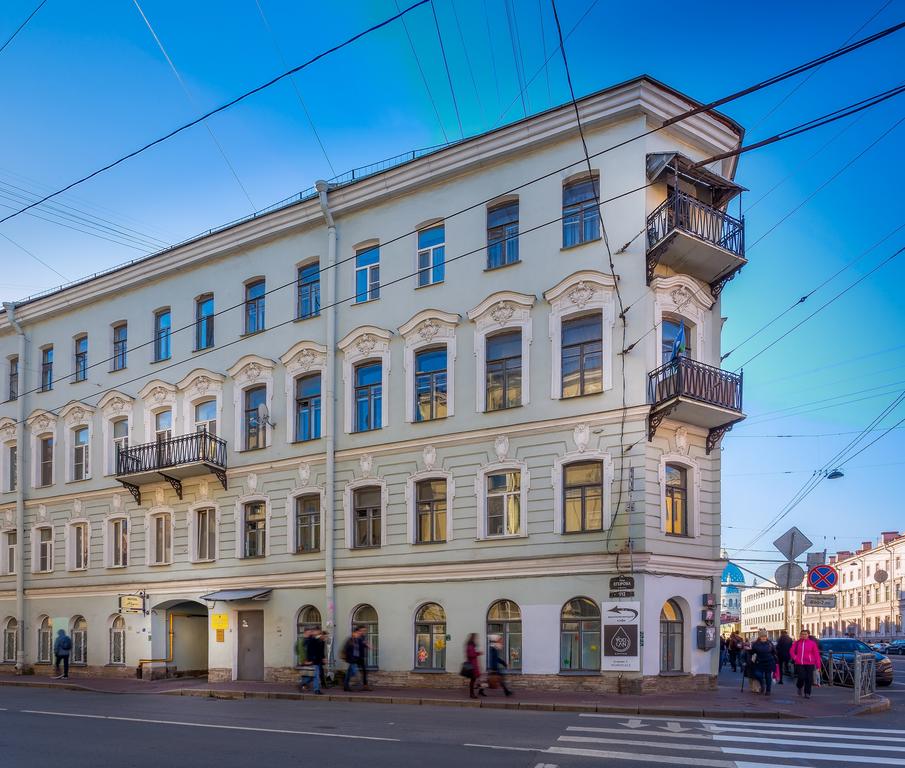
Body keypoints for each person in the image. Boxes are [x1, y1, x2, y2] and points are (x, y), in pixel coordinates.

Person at [791, 628, 821, 699]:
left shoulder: (812, 643)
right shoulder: (797, 643)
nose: (804, 635)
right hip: (800, 663)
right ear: (800, 635)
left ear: (808, 635)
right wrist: (795, 657)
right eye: (802, 634)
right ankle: (799, 686)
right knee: (801, 677)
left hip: (810, 663)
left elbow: (816, 654)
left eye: (805, 634)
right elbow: (791, 651)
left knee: (809, 678)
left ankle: (807, 693)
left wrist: (818, 665)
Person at [749, 630, 777, 695]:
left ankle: (768, 690)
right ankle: (762, 683)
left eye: (765, 636)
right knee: (757, 674)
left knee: (768, 677)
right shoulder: (756, 644)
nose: (764, 638)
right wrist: (748, 650)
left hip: (769, 662)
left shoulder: (770, 643)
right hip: (759, 662)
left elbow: (774, 652)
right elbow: (752, 652)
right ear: (759, 637)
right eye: (762, 636)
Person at [303, 627, 325, 695]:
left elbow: (320, 651)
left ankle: (303, 683)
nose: (318, 633)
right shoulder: (311, 640)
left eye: (319, 632)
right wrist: (309, 660)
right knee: (316, 676)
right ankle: (316, 690)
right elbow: (308, 651)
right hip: (313, 661)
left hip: (317, 661)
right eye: (318, 632)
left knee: (313, 676)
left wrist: (323, 658)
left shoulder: (319, 640)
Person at [464, 633, 484, 699]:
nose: (476, 639)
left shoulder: (471, 645)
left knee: (474, 679)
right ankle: (472, 694)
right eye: (475, 638)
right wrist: (478, 653)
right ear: (473, 638)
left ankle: (478, 691)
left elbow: (471, 654)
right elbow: (470, 654)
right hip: (472, 665)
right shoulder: (470, 645)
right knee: (473, 680)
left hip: (473, 664)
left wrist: (477, 653)